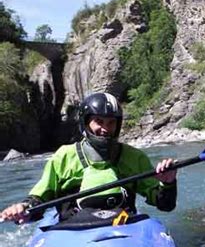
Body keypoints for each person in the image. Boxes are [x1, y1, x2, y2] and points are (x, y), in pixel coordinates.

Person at [0, 92, 177, 225]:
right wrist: (24, 209)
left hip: (122, 224)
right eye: (98, 121)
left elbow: (165, 205)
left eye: (111, 122)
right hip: (73, 229)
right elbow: (40, 199)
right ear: (85, 123)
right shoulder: (64, 156)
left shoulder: (134, 157)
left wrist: (168, 183)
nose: (105, 129)